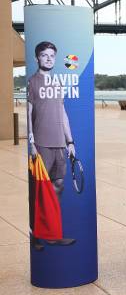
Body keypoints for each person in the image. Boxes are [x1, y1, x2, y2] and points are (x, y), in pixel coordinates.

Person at [27, 41, 77, 251]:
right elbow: (29, 113)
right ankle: (36, 234)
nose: (49, 59)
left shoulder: (57, 83)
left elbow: (62, 113)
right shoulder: (32, 82)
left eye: (52, 56)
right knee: (38, 189)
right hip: (41, 143)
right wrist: (30, 141)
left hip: (59, 144)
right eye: (44, 55)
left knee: (58, 185)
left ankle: (53, 233)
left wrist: (70, 141)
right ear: (37, 58)